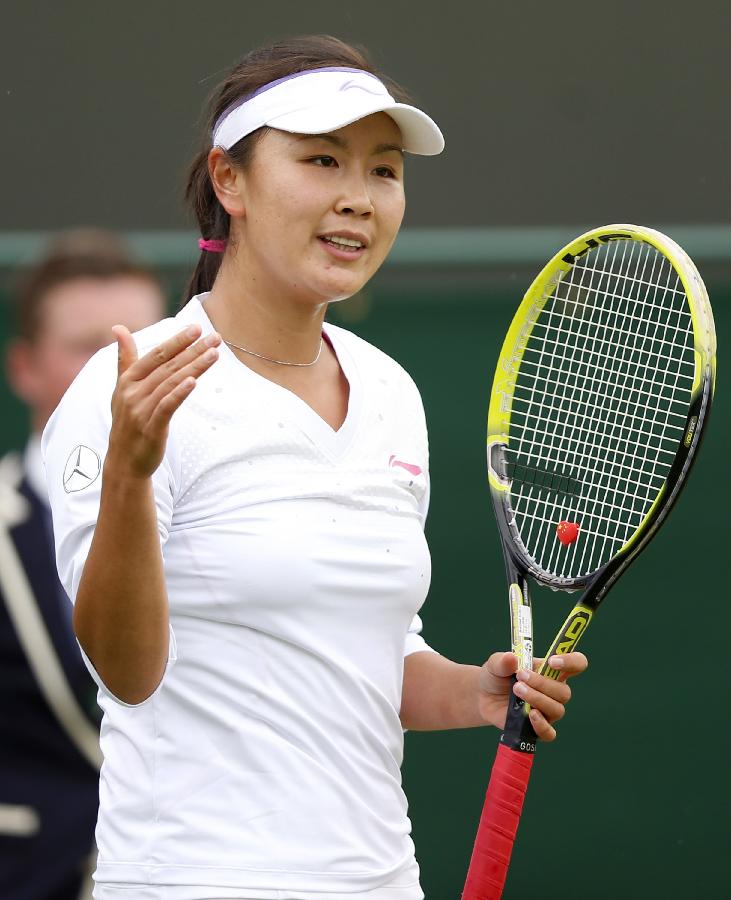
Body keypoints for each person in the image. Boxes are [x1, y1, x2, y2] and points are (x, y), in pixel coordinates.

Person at [41, 36, 588, 900]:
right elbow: (125, 671)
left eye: (382, 170)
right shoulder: (131, 386)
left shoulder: (389, 391)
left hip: (379, 880)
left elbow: (370, 655)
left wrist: (468, 692)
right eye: (321, 161)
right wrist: (129, 476)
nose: (357, 199)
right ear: (230, 181)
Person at [0, 231, 165, 900]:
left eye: (145, 340)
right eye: (88, 345)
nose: (122, 365)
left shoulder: (231, 523)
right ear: (25, 369)